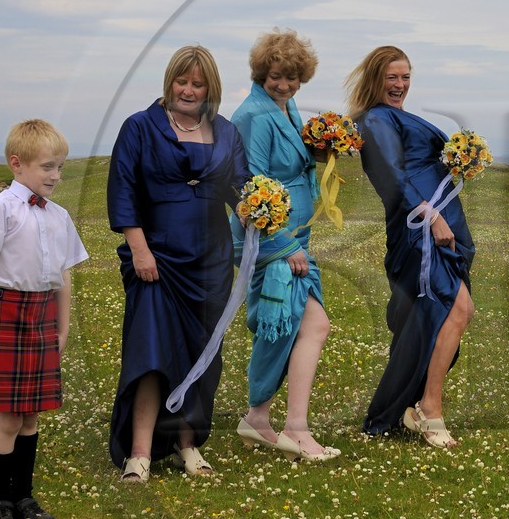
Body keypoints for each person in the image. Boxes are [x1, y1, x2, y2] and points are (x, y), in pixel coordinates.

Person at [107, 44, 250, 481]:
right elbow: (123, 188)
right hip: (157, 258)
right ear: (169, 82)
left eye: (197, 83)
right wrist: (140, 249)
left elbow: (240, 187)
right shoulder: (139, 127)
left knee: (200, 354)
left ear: (211, 88)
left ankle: (188, 446)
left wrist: (256, 206)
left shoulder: (226, 132)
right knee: (150, 353)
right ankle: (140, 452)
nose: (188, 90)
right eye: (181, 81)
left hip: (210, 260)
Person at [347, 45, 476, 446]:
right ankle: (428, 410)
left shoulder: (398, 116)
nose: (400, 85)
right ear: (375, 80)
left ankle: (416, 404)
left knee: (446, 312)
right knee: (454, 307)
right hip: (419, 225)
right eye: (391, 77)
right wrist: (431, 216)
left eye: (405, 77)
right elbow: (391, 176)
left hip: (437, 219)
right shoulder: (375, 119)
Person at [0, 119, 89, 519]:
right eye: (47, 167)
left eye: (60, 168)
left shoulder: (59, 216)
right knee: (8, 419)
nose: (55, 176)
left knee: (32, 416)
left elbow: (64, 274)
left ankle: (24, 496)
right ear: (17, 164)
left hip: (41, 318)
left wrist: (63, 326)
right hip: (6, 317)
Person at [230, 29, 339, 462]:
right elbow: (249, 185)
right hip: (272, 241)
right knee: (307, 323)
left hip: (295, 237)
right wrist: (283, 244)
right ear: (261, 72)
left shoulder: (285, 106)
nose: (285, 85)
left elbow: (290, 160)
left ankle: (259, 417)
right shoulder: (254, 115)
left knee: (295, 324)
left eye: (292, 78)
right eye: (276, 76)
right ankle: (295, 429)